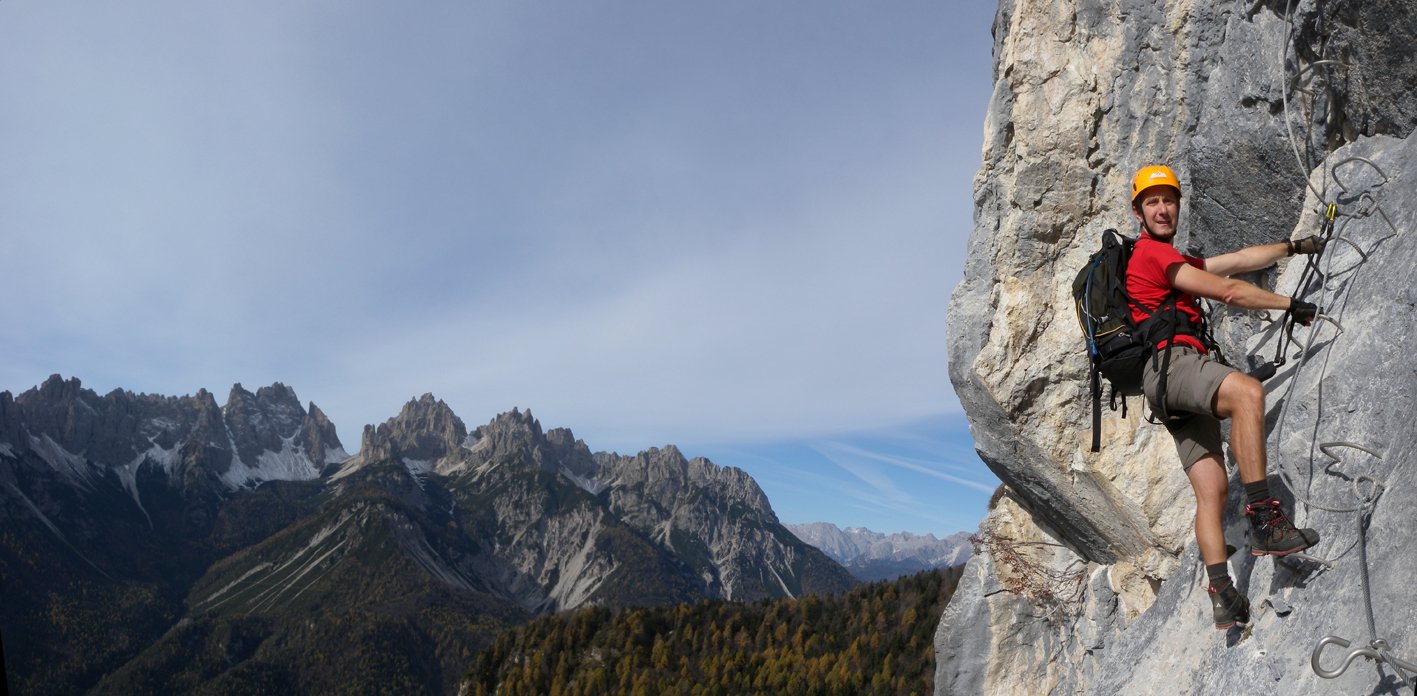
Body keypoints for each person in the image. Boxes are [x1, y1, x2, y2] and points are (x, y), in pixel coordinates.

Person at [1125, 165, 1323, 630]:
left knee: (1211, 490)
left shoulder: (1172, 264)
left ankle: (1223, 594)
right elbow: (1231, 291)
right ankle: (1266, 521)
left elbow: (1236, 261)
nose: (1162, 209)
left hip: (1165, 385)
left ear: (1177, 205)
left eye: (1168, 200)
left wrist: (1294, 247)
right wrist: (1290, 305)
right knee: (1247, 393)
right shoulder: (1151, 254)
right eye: (1152, 202)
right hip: (1175, 366)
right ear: (1138, 212)